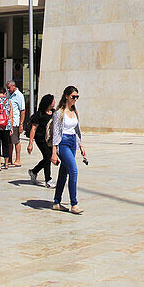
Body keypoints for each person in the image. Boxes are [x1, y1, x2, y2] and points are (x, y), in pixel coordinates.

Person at [50, 85, 87, 214]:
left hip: (72, 142)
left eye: (77, 96)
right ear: (66, 96)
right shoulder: (59, 113)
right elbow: (55, 133)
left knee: (63, 172)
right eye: (73, 96)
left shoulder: (74, 111)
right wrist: (54, 152)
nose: (75, 99)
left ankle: (56, 201)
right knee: (74, 171)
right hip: (63, 143)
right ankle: (74, 204)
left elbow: (77, 131)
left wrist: (81, 145)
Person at [26, 94, 55, 187]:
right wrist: (30, 143)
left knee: (48, 158)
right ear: (48, 102)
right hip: (40, 139)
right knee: (47, 157)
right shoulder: (39, 114)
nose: (54, 102)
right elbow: (33, 129)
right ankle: (48, 180)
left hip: (50, 139)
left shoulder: (54, 113)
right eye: (53, 100)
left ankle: (34, 171)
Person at [6, 80, 26, 168]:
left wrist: (21, 123)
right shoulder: (9, 96)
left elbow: (22, 110)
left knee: (16, 141)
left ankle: (18, 159)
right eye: (7, 88)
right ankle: (9, 159)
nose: (8, 90)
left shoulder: (19, 95)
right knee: (9, 142)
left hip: (15, 122)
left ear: (14, 86)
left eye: (9, 88)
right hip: (9, 122)